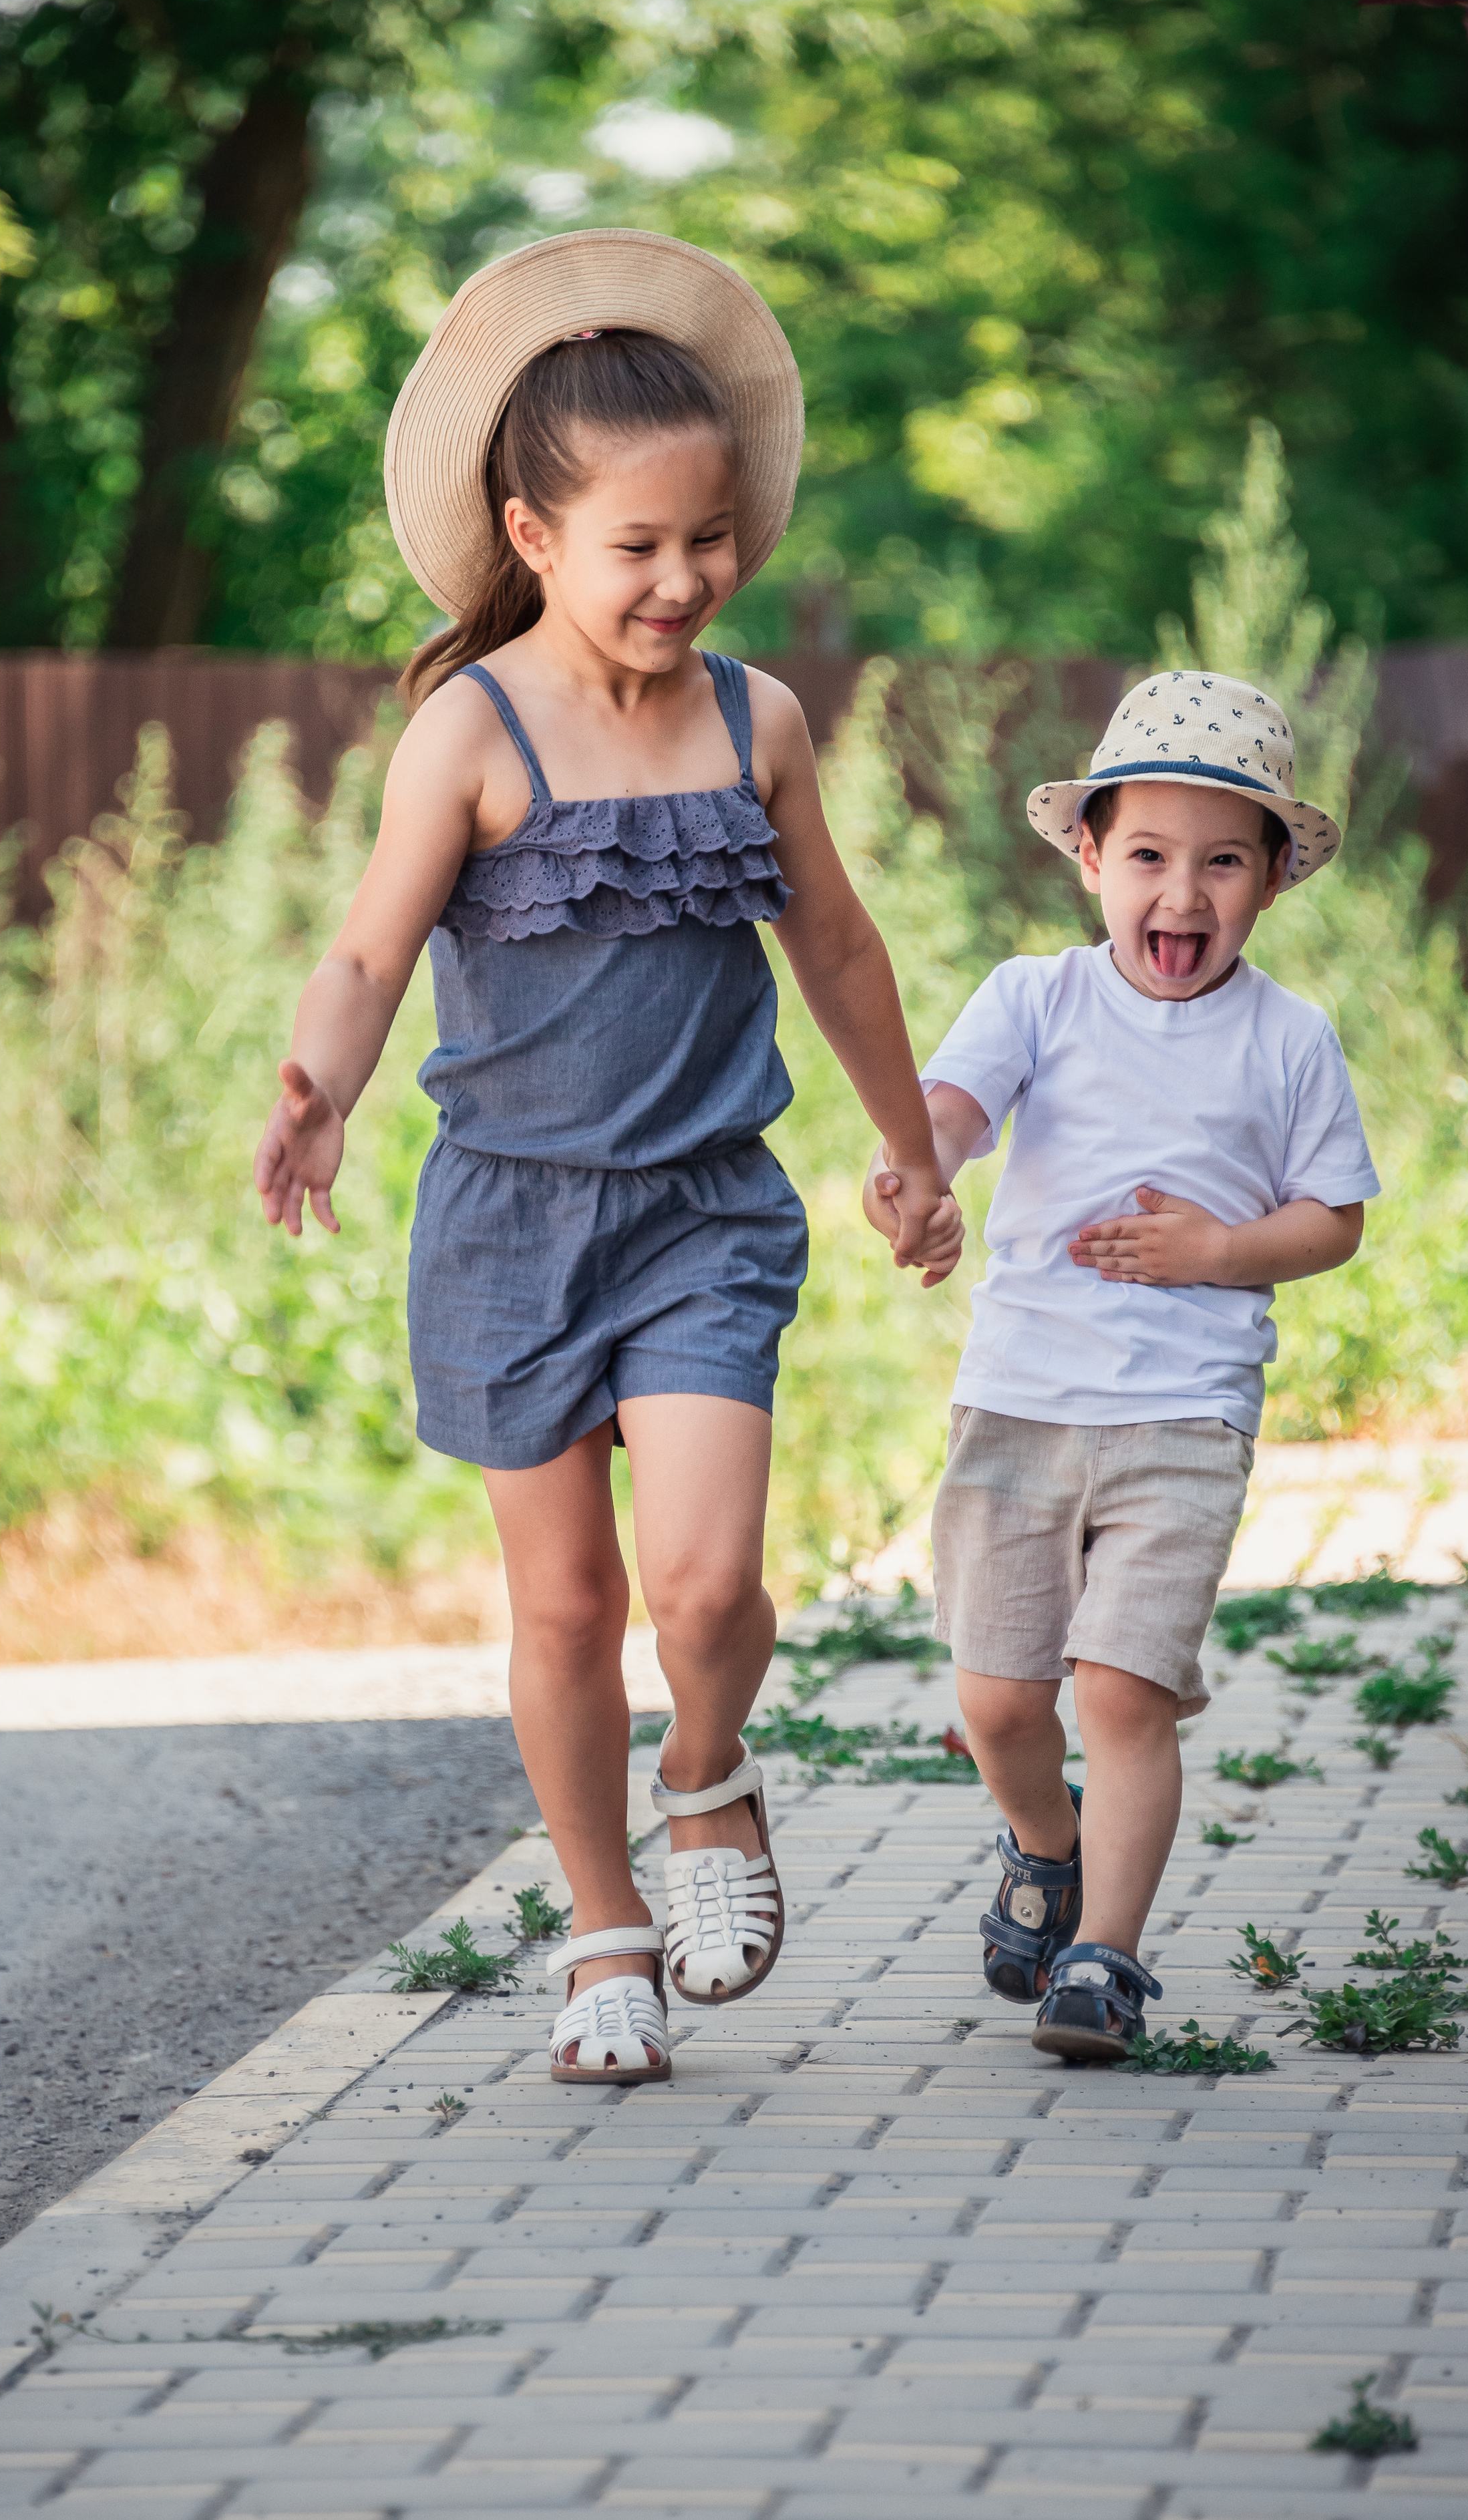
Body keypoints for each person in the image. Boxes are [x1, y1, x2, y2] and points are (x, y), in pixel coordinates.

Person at [254, 230, 957, 2087]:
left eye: (707, 542)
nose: (681, 579)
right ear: (534, 536)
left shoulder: (759, 722)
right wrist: (319, 1082)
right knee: (565, 1602)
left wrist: (911, 1151)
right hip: (509, 1222)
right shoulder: (469, 734)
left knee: (708, 1586)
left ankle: (706, 1778)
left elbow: (842, 952)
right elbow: (368, 947)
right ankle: (601, 1924)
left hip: (705, 1209)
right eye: (637, 547)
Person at [864, 670, 1380, 2060]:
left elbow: (1330, 1217)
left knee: (1121, 1690)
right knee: (997, 1697)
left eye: (1222, 861)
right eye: (1147, 855)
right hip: (1020, 1403)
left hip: (1182, 1418)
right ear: (1088, 857)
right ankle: (1045, 1843)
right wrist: (916, 1174)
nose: (1182, 894)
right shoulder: (1035, 997)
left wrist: (1220, 1251)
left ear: (1274, 877)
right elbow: (950, 1106)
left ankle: (1104, 1955)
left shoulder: (1286, 1037)